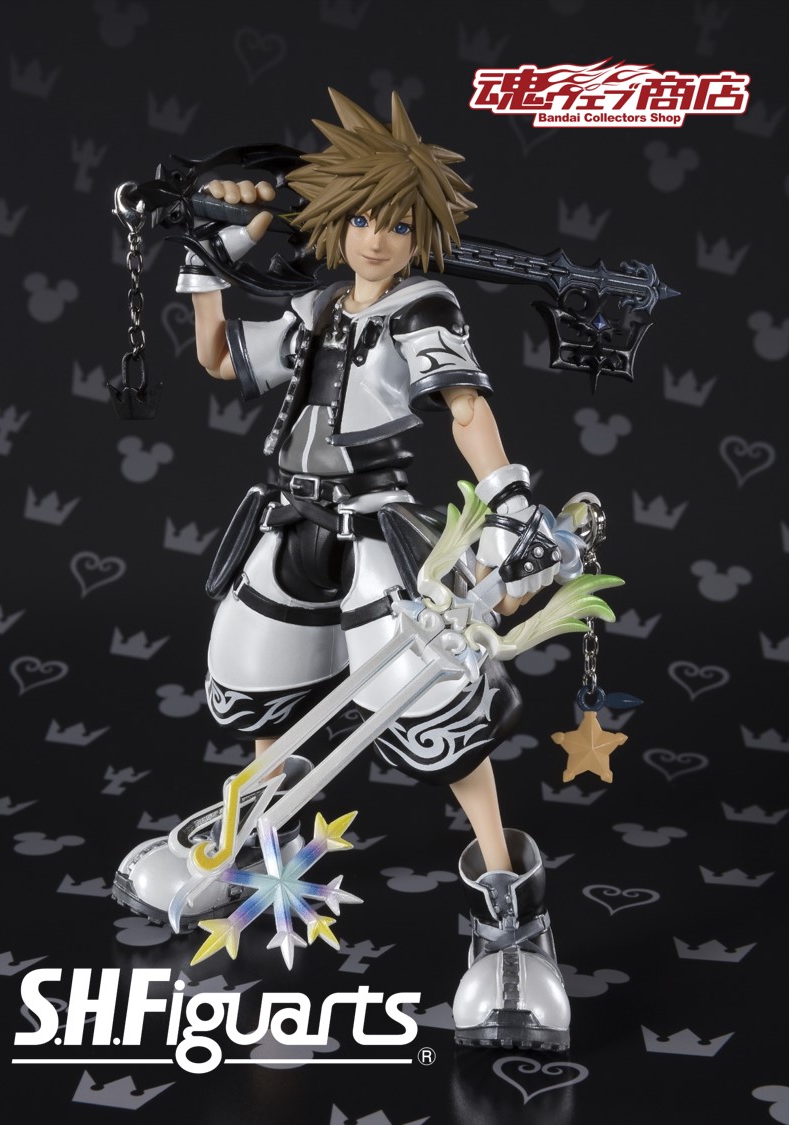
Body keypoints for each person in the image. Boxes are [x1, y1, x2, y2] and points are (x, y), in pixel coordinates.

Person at [115, 89, 593, 1052]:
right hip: (288, 521)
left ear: (423, 236)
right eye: (363, 219)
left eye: (399, 225)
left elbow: (464, 408)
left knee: (435, 705)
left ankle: (509, 909)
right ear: (335, 221)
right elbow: (217, 357)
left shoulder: (425, 306)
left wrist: (508, 502)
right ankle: (249, 840)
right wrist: (217, 245)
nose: (377, 240)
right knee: (263, 692)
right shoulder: (316, 303)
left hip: (373, 525)